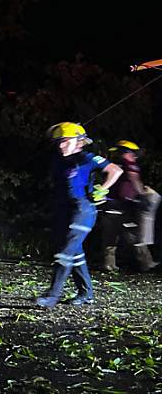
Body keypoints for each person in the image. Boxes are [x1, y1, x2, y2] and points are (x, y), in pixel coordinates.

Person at [36, 122, 122, 308]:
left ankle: (53, 296)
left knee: (66, 252)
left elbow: (116, 170)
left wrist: (102, 189)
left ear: (80, 142)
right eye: (59, 142)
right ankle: (86, 293)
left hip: (83, 210)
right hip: (63, 210)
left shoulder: (86, 158)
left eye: (66, 141)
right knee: (75, 253)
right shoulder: (58, 160)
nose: (61, 146)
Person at [100, 141, 157, 271]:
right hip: (124, 206)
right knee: (134, 236)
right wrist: (143, 194)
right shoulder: (130, 165)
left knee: (109, 237)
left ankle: (108, 265)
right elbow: (134, 180)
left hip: (110, 205)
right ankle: (146, 264)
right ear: (129, 153)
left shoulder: (112, 165)